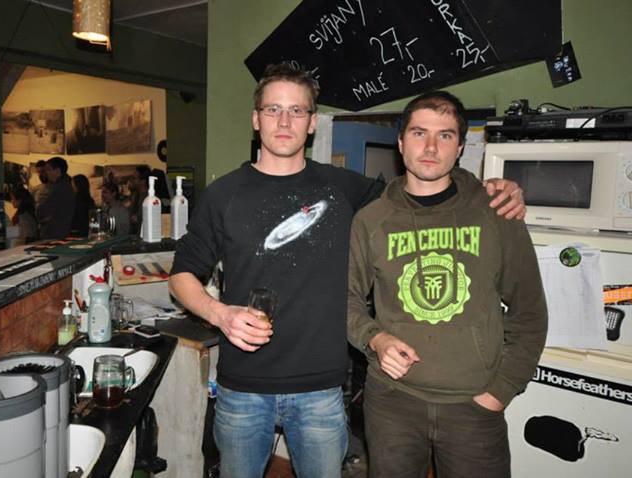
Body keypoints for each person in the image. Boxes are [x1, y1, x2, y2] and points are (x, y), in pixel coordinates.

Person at [168, 63, 526, 478]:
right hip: (243, 388)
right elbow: (181, 275)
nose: (284, 121)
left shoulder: (345, 188)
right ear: (256, 119)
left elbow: (423, 183)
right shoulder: (224, 194)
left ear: (312, 123)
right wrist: (220, 314)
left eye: (297, 111)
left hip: (321, 391)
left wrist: (486, 186)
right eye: (273, 110)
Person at [347, 91, 548, 478]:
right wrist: (376, 338)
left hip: (474, 407)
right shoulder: (370, 220)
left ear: (460, 147)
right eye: (419, 133)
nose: (430, 147)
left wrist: (499, 392)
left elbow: (530, 312)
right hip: (391, 404)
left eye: (445, 135)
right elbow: (347, 300)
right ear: (401, 142)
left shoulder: (497, 211)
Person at [36, 156, 75, 239]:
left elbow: (42, 212)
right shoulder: (69, 183)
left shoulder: (60, 188)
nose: (46, 173)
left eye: (48, 170)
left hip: (57, 234)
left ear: (57, 171)